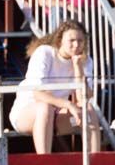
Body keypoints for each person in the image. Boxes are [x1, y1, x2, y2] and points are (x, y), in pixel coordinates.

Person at [10, 20, 101, 154]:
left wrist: (77, 67)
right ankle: (45, 162)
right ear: (60, 41)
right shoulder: (45, 53)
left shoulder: (85, 61)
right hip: (26, 114)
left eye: (80, 41)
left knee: (89, 111)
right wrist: (69, 104)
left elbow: (84, 97)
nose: (76, 45)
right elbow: (38, 94)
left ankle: (96, 162)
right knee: (45, 107)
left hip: (55, 117)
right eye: (72, 40)